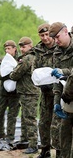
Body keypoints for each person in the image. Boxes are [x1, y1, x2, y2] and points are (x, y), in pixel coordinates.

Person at [32, 23, 61, 158]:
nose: (45, 38)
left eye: (47, 34)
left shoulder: (60, 47)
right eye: (42, 35)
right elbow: (34, 71)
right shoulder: (38, 50)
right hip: (45, 92)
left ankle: (60, 151)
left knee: (57, 123)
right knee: (43, 122)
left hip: (58, 91)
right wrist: (40, 84)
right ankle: (45, 150)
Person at [7, 37, 40, 154]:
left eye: (24, 46)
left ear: (30, 46)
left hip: (29, 92)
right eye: (20, 46)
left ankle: (33, 144)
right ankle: (25, 140)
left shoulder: (27, 59)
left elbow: (16, 74)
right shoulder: (31, 57)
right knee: (25, 118)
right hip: (27, 92)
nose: (21, 49)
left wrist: (11, 73)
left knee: (30, 119)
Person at [49, 22, 73, 158]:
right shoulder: (57, 52)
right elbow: (56, 81)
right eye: (54, 39)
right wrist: (56, 102)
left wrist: (63, 71)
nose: (56, 41)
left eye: (58, 37)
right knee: (64, 138)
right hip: (66, 102)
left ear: (65, 32)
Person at [0, 40, 20, 143]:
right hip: (3, 92)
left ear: (14, 48)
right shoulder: (3, 60)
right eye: (5, 49)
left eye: (9, 49)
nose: (7, 51)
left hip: (15, 93)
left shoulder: (20, 60)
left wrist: (13, 75)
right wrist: (5, 75)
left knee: (12, 115)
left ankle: (10, 136)